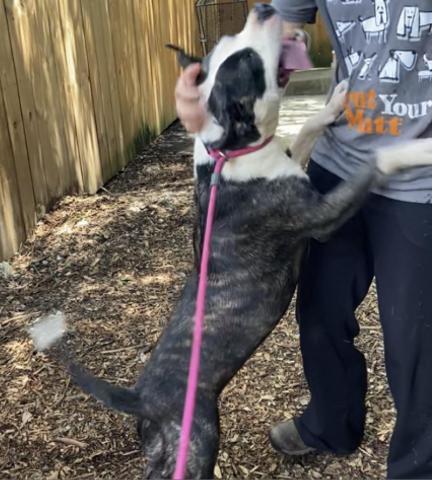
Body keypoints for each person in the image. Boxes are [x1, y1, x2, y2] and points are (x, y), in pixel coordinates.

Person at [174, 1, 432, 479]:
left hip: (421, 176)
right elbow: (284, 29)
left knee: (414, 344)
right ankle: (332, 424)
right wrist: (201, 93)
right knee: (320, 315)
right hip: (340, 154)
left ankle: (418, 469)